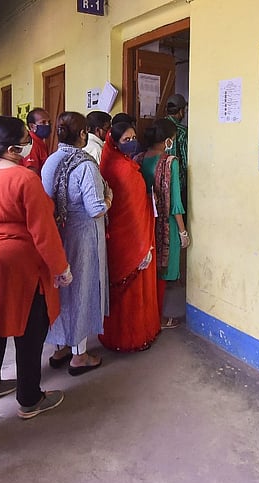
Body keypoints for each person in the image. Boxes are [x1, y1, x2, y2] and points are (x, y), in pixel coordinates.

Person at [0, 115, 71, 418]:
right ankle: (29, 398)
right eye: (26, 140)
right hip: (23, 267)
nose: (29, 144)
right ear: (12, 147)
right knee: (29, 331)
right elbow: (43, 232)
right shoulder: (24, 178)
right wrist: (60, 268)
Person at [42, 111, 110, 375]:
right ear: (83, 134)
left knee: (60, 289)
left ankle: (60, 346)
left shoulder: (50, 161)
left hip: (57, 233)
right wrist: (110, 199)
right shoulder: (86, 165)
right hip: (82, 236)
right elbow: (96, 209)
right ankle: (79, 354)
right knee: (81, 288)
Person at [98, 121, 161, 351]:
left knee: (119, 295)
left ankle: (116, 336)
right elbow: (134, 211)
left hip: (116, 239)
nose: (132, 142)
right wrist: (143, 244)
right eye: (126, 139)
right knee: (133, 294)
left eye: (134, 137)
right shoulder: (125, 170)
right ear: (114, 142)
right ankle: (134, 337)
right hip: (132, 240)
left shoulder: (109, 162)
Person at [135, 118, 189, 329]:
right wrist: (183, 232)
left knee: (147, 274)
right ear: (167, 140)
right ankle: (158, 318)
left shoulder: (138, 158)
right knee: (162, 276)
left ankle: (145, 314)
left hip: (145, 223)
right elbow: (175, 202)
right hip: (167, 225)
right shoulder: (170, 162)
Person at [165, 93, 189, 195]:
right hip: (177, 181)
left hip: (159, 177)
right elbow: (185, 160)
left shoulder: (157, 125)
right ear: (181, 111)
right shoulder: (182, 131)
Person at [24, 107, 52, 173]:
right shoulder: (30, 143)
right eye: (43, 122)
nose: (48, 125)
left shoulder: (40, 142)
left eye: (49, 122)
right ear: (32, 126)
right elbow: (31, 173)